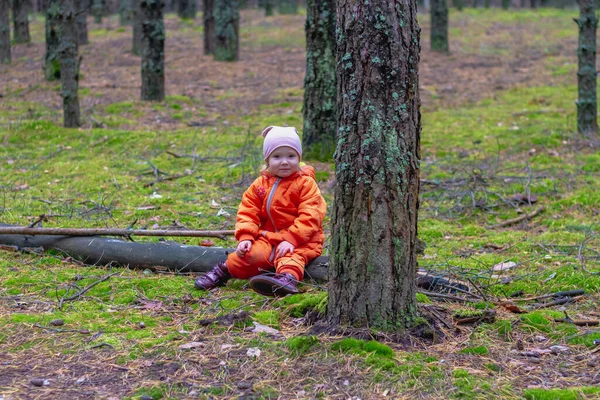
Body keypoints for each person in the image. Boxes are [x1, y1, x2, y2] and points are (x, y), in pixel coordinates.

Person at [194, 126, 327, 297]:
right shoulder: (260, 184)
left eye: (291, 156)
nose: (284, 161)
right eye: (277, 156)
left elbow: (311, 215)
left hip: (301, 240)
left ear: (299, 158)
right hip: (269, 237)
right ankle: (224, 270)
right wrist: (246, 237)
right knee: (250, 255)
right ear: (267, 159)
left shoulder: (306, 184)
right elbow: (247, 211)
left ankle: (285, 279)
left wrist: (292, 239)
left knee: (291, 258)